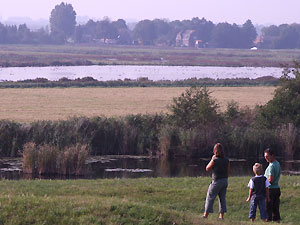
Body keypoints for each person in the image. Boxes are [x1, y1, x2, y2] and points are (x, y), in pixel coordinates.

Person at [203, 143, 230, 220]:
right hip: (225, 180)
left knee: (210, 197)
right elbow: (228, 171)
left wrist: (212, 159)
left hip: (216, 181)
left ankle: (206, 215)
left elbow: (207, 168)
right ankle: (221, 216)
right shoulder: (227, 160)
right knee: (222, 198)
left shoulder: (215, 160)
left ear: (215, 151)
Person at [264, 148, 281, 223]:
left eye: (267, 156)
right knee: (275, 208)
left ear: (272, 156)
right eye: (265, 156)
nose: (265, 158)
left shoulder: (271, 166)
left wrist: (263, 185)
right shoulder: (277, 163)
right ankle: (277, 221)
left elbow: (270, 180)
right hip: (277, 188)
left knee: (268, 207)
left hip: (270, 190)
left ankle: (268, 220)